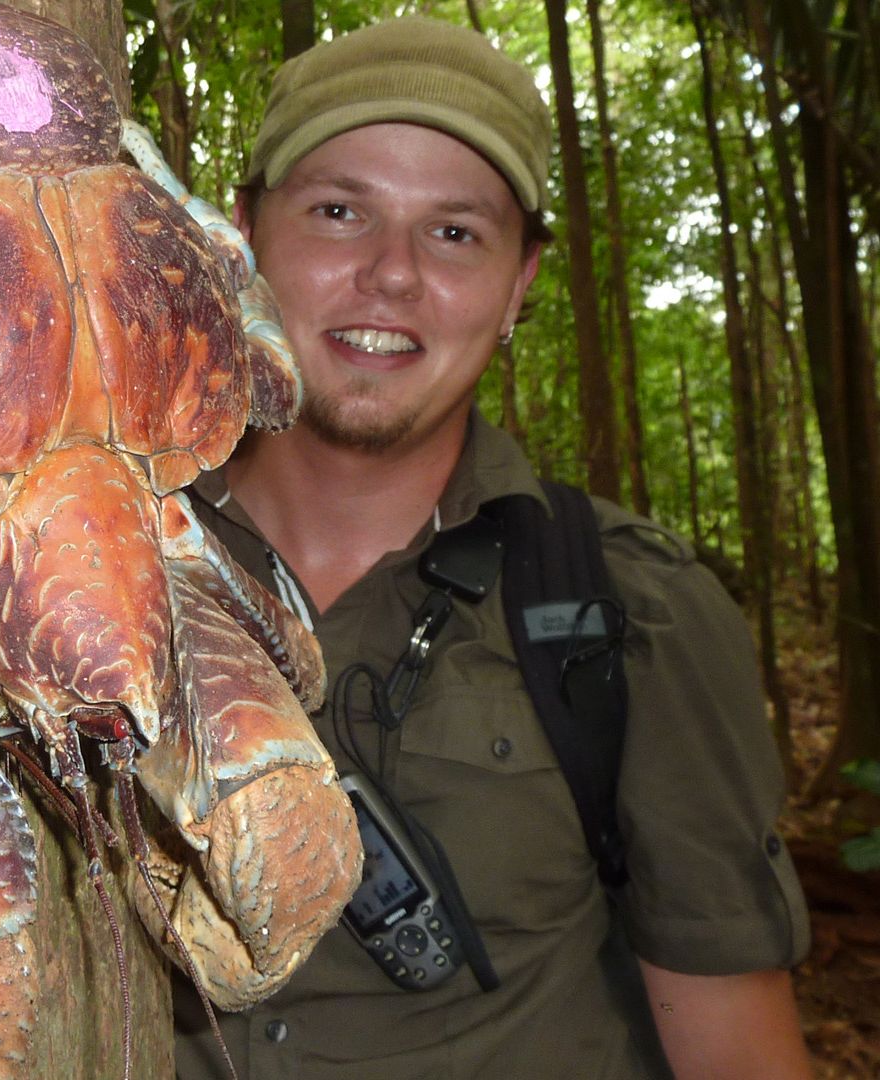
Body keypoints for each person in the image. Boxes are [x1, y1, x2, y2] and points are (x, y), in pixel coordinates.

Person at [174, 17, 813, 1080]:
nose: (391, 275)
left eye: (456, 233)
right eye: (340, 212)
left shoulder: (626, 607)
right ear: (239, 239)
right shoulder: (93, 563)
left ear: (521, 285)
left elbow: (740, 1051)